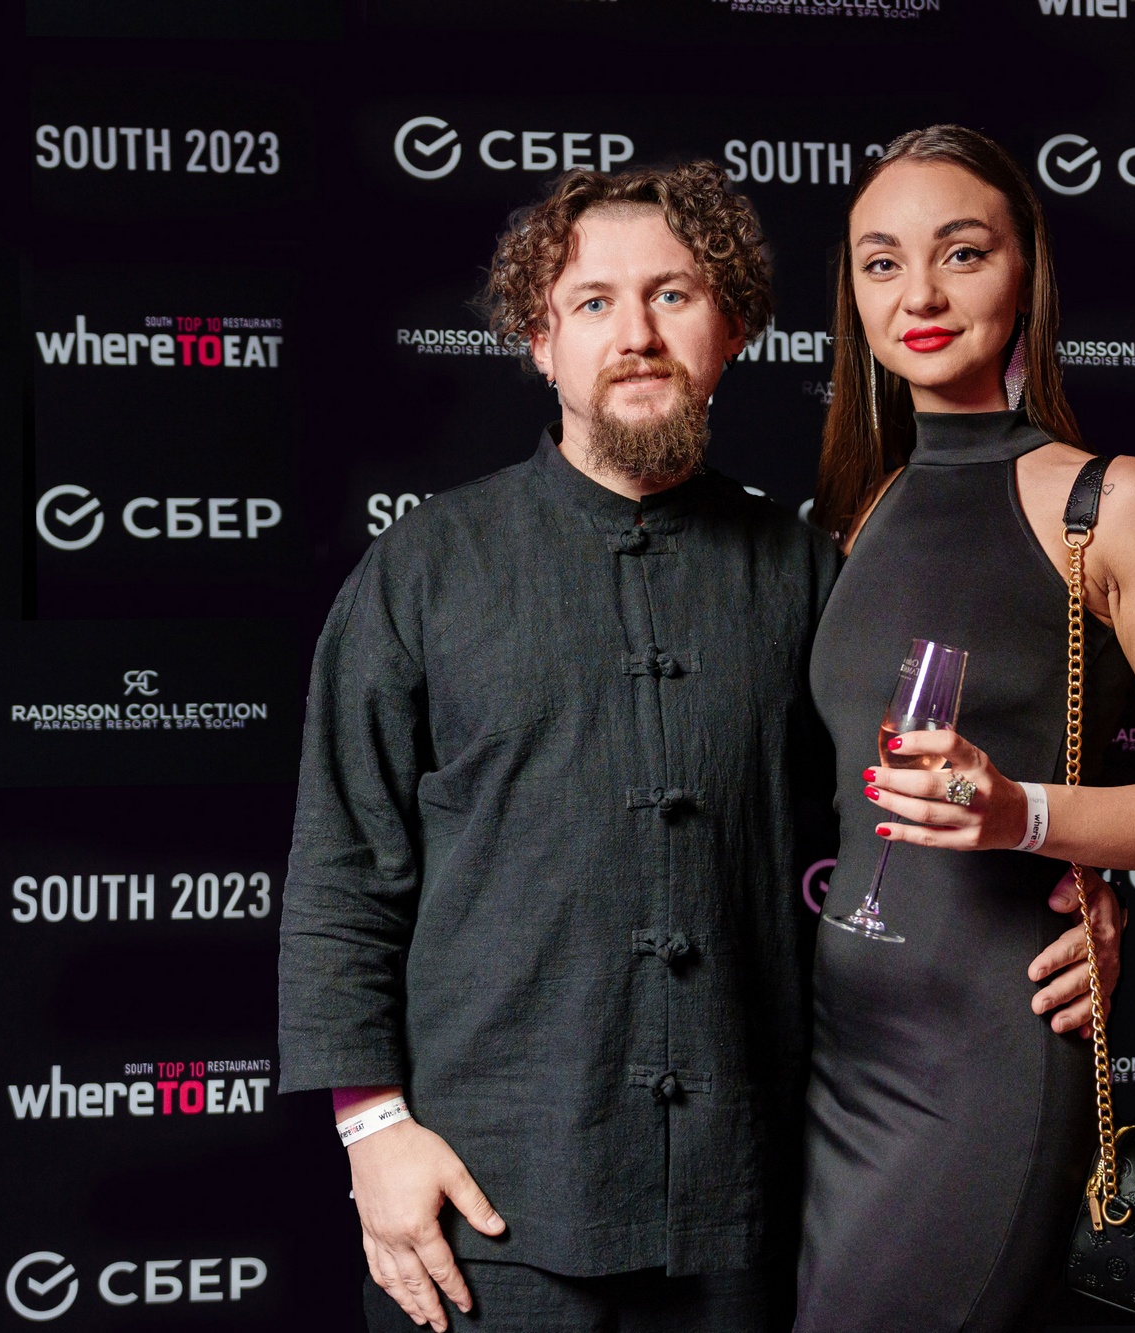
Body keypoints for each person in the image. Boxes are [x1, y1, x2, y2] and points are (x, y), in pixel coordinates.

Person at [276, 163, 840, 1332]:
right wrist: (372, 1130)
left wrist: (1060, 888)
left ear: (733, 328)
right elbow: (343, 866)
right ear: (540, 341)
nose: (635, 334)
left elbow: (886, 844)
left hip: (742, 1203)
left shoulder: (806, 572)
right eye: (593, 302)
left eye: (673, 295)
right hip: (483, 1206)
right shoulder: (424, 567)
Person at [796, 125, 1135, 1332]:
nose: (921, 294)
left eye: (961, 252)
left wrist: (1027, 816)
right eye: (882, 262)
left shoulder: (1111, 503)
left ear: (1026, 273)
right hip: (836, 1058)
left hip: (983, 1055)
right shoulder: (859, 507)